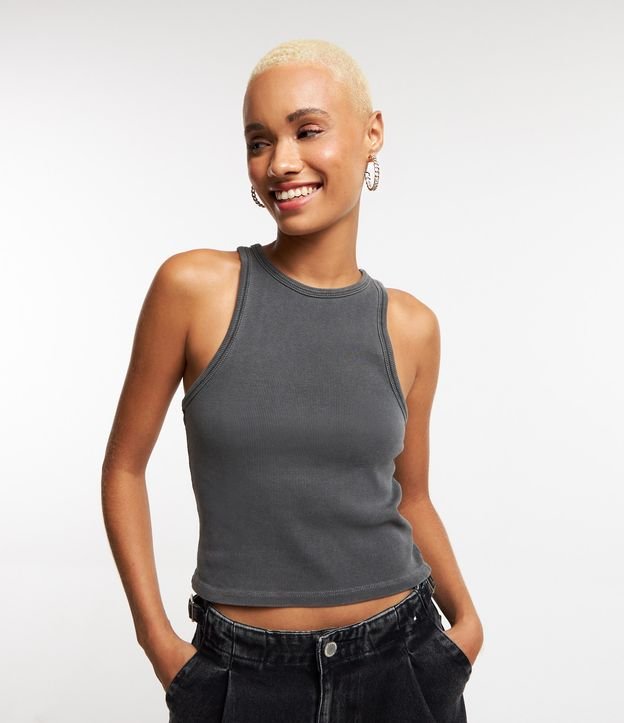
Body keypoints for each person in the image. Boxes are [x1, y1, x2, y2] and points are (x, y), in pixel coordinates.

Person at [101, 38, 484, 722]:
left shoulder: (411, 326)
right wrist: (158, 642)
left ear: (372, 134)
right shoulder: (194, 289)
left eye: (307, 131)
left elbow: (413, 495)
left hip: (402, 662)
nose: (280, 162)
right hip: (243, 677)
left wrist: (467, 625)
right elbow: (124, 468)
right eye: (259, 141)